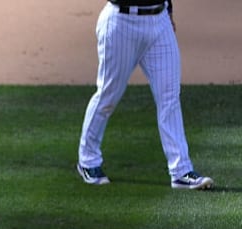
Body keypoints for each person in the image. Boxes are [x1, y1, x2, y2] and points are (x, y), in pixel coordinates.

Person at [77, 0, 214, 190]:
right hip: (121, 21)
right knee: (108, 96)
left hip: (159, 21)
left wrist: (170, 11)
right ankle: (88, 161)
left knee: (169, 97)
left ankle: (181, 171)